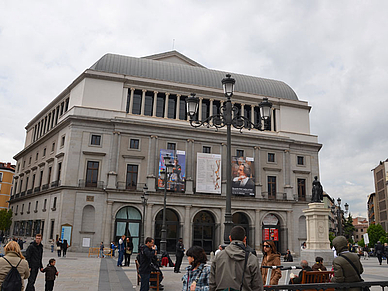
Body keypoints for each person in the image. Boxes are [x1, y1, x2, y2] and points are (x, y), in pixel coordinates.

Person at [209, 226, 262, 291]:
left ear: (230, 238)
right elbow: (257, 285)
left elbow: (212, 283)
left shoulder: (218, 256)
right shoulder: (251, 258)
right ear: (244, 239)